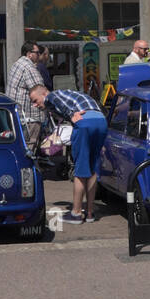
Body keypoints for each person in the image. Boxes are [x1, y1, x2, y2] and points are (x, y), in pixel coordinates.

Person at [29, 84, 106, 225]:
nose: (35, 105)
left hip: (84, 122)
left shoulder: (52, 96)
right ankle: (90, 213)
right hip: (101, 120)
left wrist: (71, 114)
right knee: (92, 169)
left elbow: (56, 101)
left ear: (43, 93)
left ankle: (76, 213)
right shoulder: (70, 93)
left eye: (35, 100)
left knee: (81, 170)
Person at [6, 42, 46, 145]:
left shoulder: (17, 64)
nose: (39, 55)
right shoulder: (29, 68)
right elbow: (40, 93)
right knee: (29, 149)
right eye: (38, 52)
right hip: (29, 118)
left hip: (18, 116)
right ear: (29, 54)